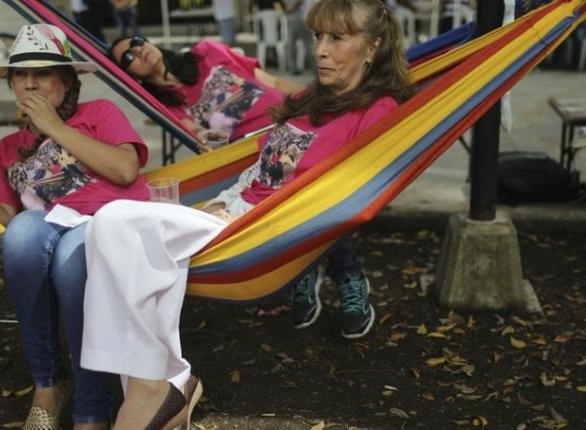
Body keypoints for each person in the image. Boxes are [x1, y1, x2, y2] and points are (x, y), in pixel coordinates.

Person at [79, 1, 412, 428]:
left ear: (374, 46)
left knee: (115, 222)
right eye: (319, 38)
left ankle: (159, 387)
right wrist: (224, 200)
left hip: (262, 228)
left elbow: (341, 192)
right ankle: (158, 387)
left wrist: (248, 219)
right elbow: (261, 170)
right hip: (235, 213)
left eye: (337, 38)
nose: (321, 51)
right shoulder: (315, 101)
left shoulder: (378, 112)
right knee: (109, 229)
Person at [0, 24, 150, 430]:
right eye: (21, 74)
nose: (30, 83)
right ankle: (48, 384)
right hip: (49, 229)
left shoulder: (99, 114)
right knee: (19, 234)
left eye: (43, 73)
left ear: (67, 81)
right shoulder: (7, 149)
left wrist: (54, 127)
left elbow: (125, 170)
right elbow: (3, 221)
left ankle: (92, 408)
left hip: (109, 226)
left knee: (72, 262)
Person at [108, 35, 304, 142]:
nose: (138, 49)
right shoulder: (167, 107)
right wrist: (202, 136)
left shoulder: (207, 51)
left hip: (298, 115)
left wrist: (316, 97)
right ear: (131, 77)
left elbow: (274, 83)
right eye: (128, 57)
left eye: (136, 42)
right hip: (266, 143)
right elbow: (197, 131)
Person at [282, 0, 315, 74]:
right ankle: (294, 69)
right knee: (294, 46)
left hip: (300, 19)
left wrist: (290, 9)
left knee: (307, 45)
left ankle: (314, 69)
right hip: (296, 19)